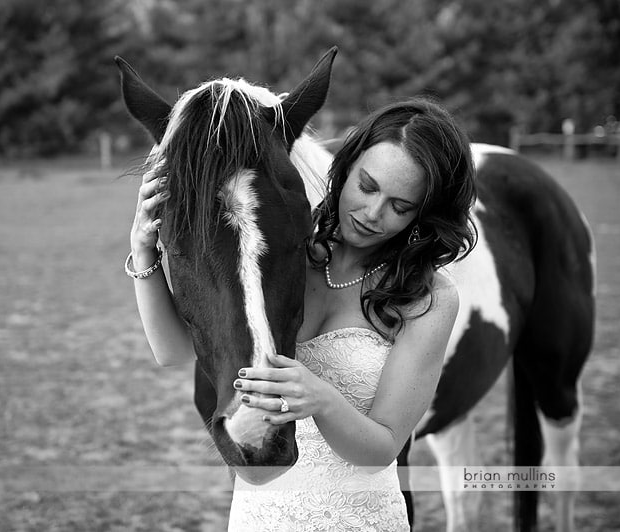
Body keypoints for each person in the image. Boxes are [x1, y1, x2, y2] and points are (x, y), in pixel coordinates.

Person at [128, 97, 476, 531]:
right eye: (367, 186)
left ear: (425, 213)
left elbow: (381, 450)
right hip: (261, 516)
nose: (372, 214)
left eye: (400, 206)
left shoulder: (428, 298)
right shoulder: (286, 251)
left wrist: (320, 398)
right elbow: (175, 350)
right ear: (346, 168)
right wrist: (144, 250)